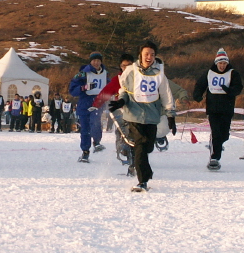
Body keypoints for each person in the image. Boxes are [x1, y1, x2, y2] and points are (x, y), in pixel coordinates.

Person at [109, 41, 176, 192]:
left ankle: (145, 173)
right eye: (146, 54)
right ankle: (142, 181)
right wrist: (120, 102)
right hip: (134, 115)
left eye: (152, 54)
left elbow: (166, 94)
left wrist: (170, 115)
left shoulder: (159, 73)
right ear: (140, 55)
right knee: (140, 147)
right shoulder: (131, 71)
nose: (149, 57)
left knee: (147, 147)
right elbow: (124, 90)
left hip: (152, 116)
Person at [193, 48, 243, 171]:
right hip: (213, 108)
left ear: (227, 63)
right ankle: (215, 158)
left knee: (224, 135)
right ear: (216, 63)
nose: (222, 66)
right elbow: (200, 85)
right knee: (216, 132)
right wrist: (197, 96)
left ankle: (217, 145)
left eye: (224, 63)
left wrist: (229, 90)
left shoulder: (233, 73)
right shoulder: (209, 73)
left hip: (227, 108)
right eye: (220, 63)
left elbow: (238, 87)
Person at [69, 52, 109, 161]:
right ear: (90, 61)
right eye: (94, 60)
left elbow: (110, 87)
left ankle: (97, 142)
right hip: (84, 104)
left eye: (98, 60)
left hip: (98, 103)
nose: (96, 63)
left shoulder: (105, 73)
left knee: (96, 122)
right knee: (85, 129)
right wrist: (84, 87)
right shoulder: (82, 74)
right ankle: (85, 152)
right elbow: (72, 90)